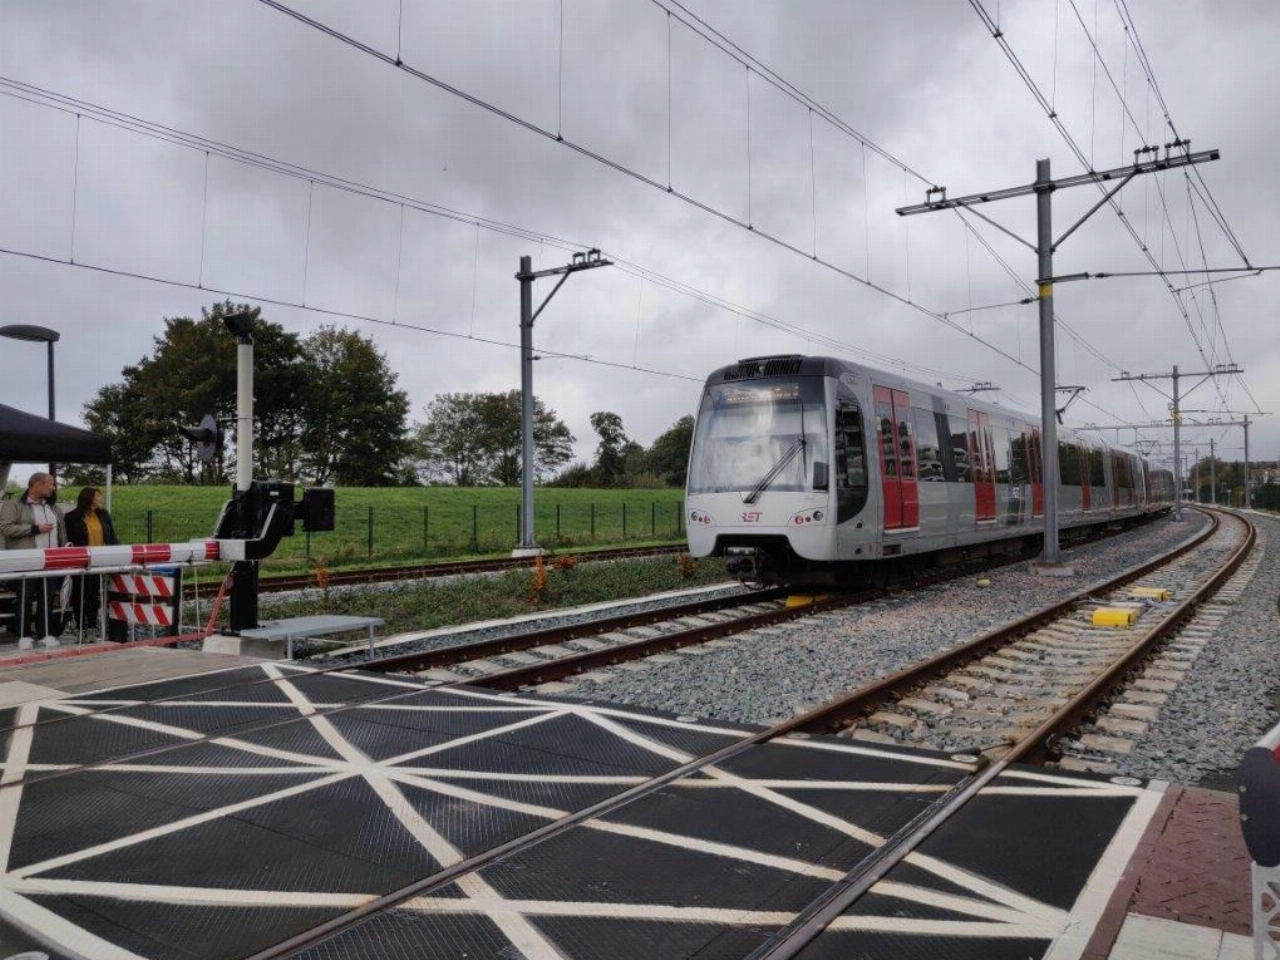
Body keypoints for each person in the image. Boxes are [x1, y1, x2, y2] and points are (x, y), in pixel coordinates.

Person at [0, 472, 66, 644]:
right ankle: (24, 635)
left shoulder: (54, 508)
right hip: (26, 561)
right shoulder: (13, 505)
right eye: (50, 483)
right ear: (37, 483)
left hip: (51, 562)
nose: (53, 487)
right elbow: (6, 528)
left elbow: (62, 534)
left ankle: (45, 634)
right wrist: (34, 529)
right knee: (25, 597)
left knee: (47, 597)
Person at [64, 486, 119, 635]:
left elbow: (111, 535)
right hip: (80, 559)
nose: (100, 499)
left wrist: (118, 552)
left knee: (93, 593)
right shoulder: (72, 517)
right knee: (79, 593)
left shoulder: (103, 514)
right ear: (89, 498)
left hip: (98, 559)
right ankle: (80, 625)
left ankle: (92, 625)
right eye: (97, 496)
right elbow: (69, 538)